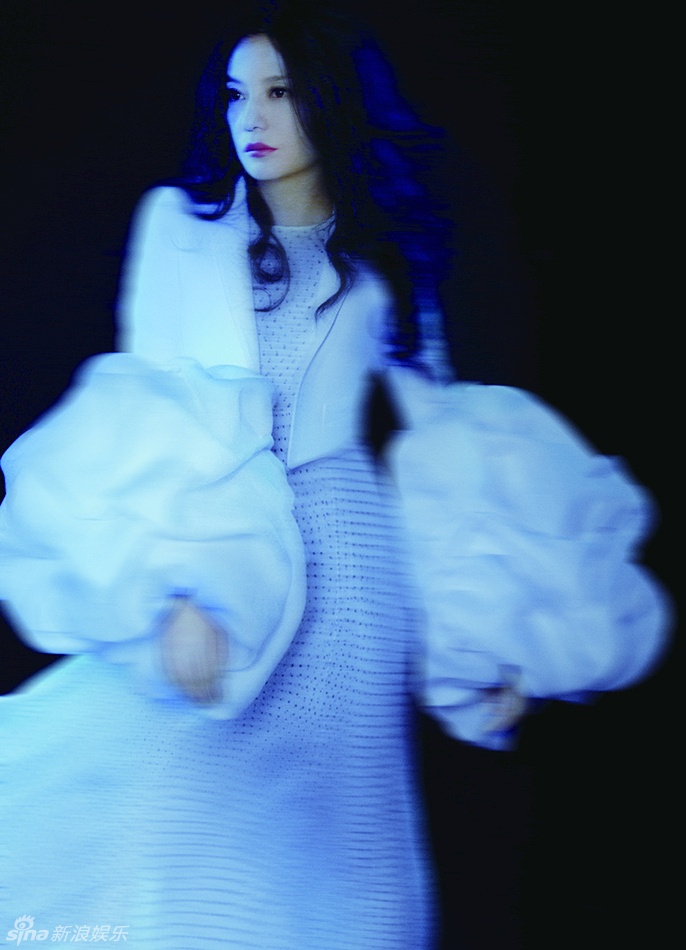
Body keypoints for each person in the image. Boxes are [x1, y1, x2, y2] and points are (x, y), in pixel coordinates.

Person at [0, 3, 668, 948]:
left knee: (328, 865)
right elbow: (153, 401)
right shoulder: (183, 228)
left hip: (349, 573)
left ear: (331, 99)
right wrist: (178, 583)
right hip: (227, 559)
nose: (252, 118)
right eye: (235, 94)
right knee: (159, 822)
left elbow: (449, 439)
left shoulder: (389, 250)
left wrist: (505, 643)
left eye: (279, 92)